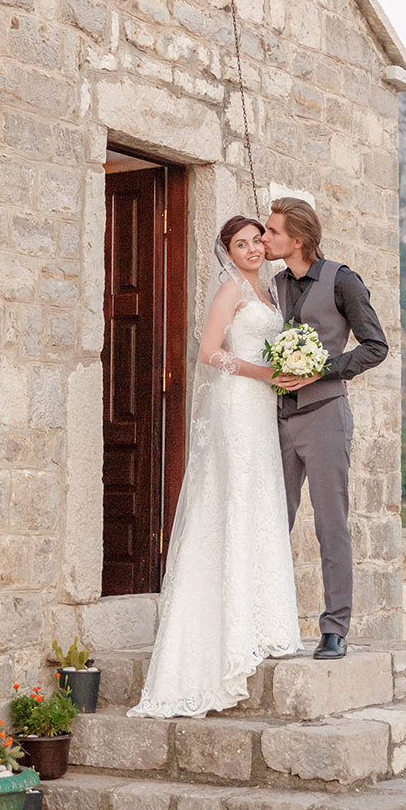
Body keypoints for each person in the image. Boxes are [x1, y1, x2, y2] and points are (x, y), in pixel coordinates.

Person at [129, 215, 303, 719]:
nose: (252, 249)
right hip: (236, 404)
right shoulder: (231, 290)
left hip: (261, 407)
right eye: (241, 244)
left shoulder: (271, 293)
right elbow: (208, 353)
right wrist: (262, 372)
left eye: (257, 241)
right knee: (235, 498)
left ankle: (262, 619)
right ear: (228, 252)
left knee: (260, 499)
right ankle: (227, 627)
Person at [264, 197, 389, 660]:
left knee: (330, 523)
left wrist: (322, 369)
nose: (265, 238)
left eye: (272, 232)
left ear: (297, 240)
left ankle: (335, 628)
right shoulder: (274, 285)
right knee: (271, 520)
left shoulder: (343, 280)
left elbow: (376, 346)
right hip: (276, 418)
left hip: (325, 417)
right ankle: (267, 621)